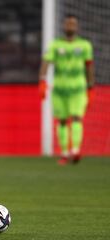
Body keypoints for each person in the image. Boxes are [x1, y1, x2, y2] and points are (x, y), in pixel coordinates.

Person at [39, 14, 95, 165]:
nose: (70, 26)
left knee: (77, 117)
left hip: (78, 89)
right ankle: (64, 153)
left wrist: (91, 87)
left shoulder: (85, 45)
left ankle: (75, 150)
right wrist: (43, 81)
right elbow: (46, 62)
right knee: (62, 121)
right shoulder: (55, 45)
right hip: (59, 89)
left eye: (73, 24)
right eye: (68, 23)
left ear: (77, 27)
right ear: (63, 26)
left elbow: (89, 66)